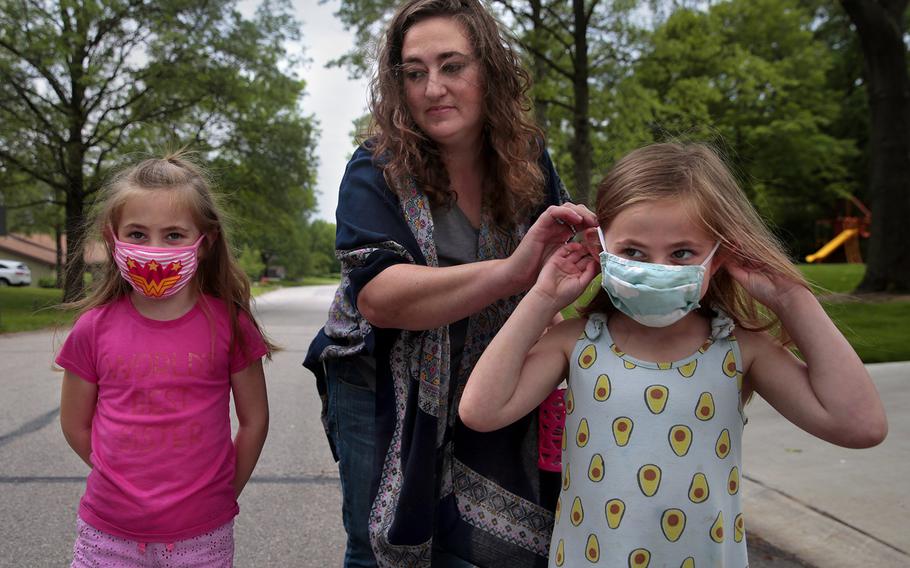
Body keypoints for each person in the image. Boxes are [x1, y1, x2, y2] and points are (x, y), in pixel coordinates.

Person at [459, 142, 888, 567]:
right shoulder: (577, 342)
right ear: (599, 246)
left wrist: (791, 298)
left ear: (720, 257)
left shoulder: (739, 349)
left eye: (682, 253)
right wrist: (543, 298)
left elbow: (860, 425)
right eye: (633, 252)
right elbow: (482, 410)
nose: (658, 269)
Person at [303, 0, 597, 566]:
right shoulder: (376, 166)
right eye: (415, 73)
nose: (433, 87)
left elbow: (556, 269)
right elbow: (380, 297)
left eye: (451, 66)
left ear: (489, 70)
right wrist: (511, 274)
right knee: (378, 544)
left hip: (488, 376)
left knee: (478, 548)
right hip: (376, 382)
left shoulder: (528, 159)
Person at [56, 152, 272, 567]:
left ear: (204, 242)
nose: (154, 250)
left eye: (174, 235)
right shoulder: (93, 328)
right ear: (112, 236)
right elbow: (75, 423)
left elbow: (254, 420)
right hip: (107, 532)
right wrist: (121, 479)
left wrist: (225, 490)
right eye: (137, 233)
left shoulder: (230, 325)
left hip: (203, 534)